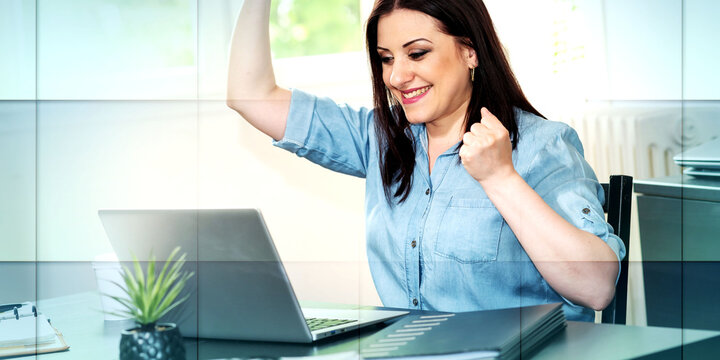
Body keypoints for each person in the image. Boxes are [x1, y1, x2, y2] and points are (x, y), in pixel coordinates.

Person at [227, 0, 625, 322]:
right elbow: (248, 95)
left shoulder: (542, 144)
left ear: (470, 51)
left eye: (417, 53)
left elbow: (596, 288)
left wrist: (500, 177)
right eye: (386, 58)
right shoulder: (382, 138)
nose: (398, 76)